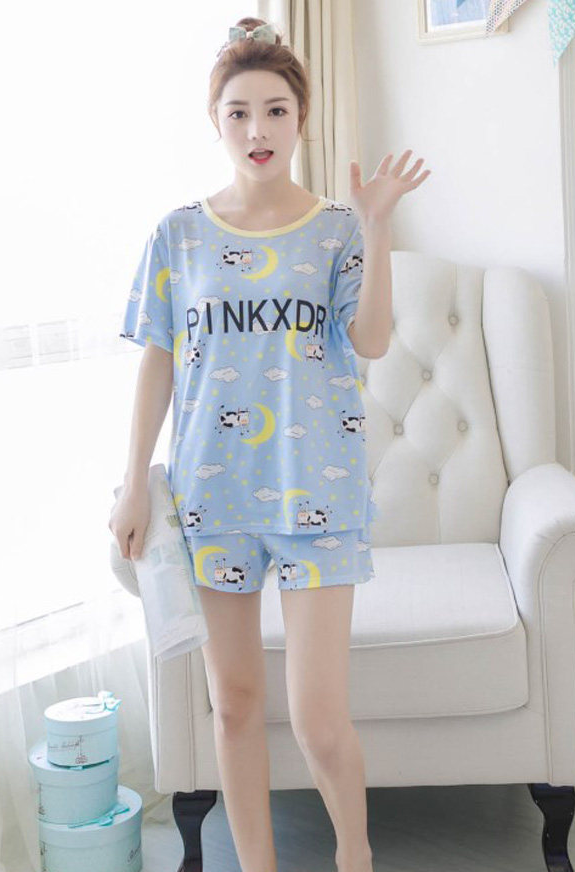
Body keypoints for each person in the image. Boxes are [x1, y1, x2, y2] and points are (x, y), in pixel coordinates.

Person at [110, 15, 431, 872]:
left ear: (301, 119)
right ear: (215, 121)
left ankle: (354, 857)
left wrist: (376, 227)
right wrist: (134, 482)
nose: (258, 129)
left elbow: (370, 342)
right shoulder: (178, 235)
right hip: (212, 493)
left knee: (320, 719)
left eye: (276, 111)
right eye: (240, 112)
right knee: (236, 704)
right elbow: (157, 360)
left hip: (317, 489)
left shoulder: (336, 230)